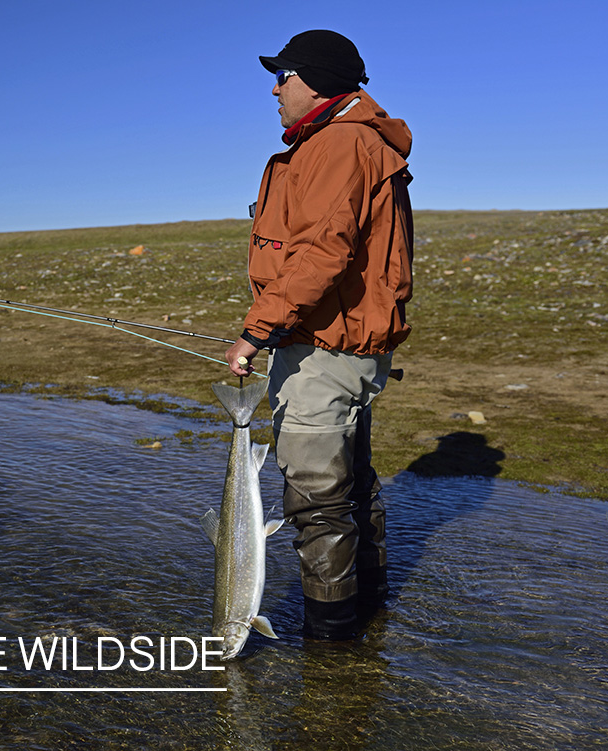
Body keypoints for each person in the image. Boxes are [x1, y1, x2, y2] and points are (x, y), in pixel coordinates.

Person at [224, 30, 413, 641]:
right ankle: (369, 618)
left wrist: (253, 335)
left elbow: (320, 255)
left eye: (286, 76)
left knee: (316, 503)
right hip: (338, 346)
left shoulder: (340, 145)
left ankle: (330, 645)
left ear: (321, 82)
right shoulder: (341, 141)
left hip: (325, 354)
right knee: (351, 489)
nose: (275, 88)